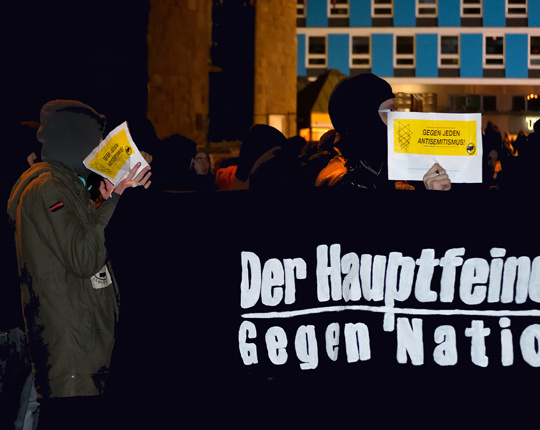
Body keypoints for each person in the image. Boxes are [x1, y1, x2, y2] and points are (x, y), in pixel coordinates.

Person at [6, 99, 151, 430]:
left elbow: (85, 239)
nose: (100, 150)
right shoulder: (47, 188)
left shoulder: (67, 184)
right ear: (74, 140)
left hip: (83, 348)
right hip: (72, 355)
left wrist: (108, 197)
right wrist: (113, 199)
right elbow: (84, 257)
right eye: (95, 142)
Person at [315, 73, 451, 191]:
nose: (397, 119)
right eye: (390, 111)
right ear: (365, 120)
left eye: (396, 109)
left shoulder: (377, 166)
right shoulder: (345, 180)